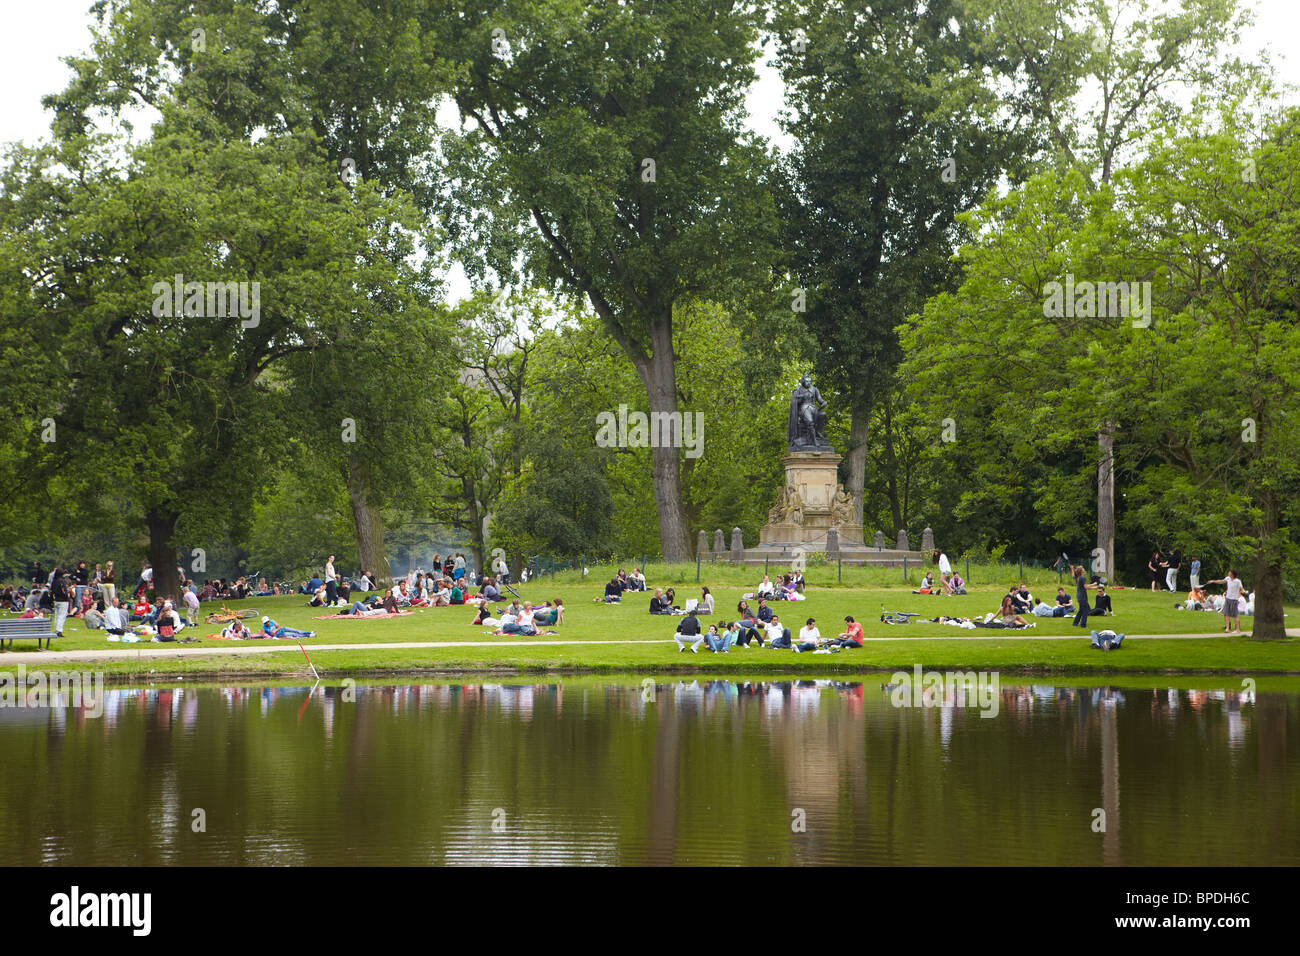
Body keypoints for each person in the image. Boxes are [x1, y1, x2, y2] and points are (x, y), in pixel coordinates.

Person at [1208, 570, 1245, 635]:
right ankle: (1227, 628)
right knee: (1226, 614)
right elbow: (1221, 581)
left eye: (1230, 572)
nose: (1228, 573)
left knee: (1235, 615)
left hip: (1234, 599)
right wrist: (1213, 581)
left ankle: (1238, 629)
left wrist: (1243, 591)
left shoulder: (1238, 581)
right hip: (1228, 598)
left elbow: (1241, 588)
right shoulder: (1228, 578)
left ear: (1233, 574)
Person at [49, 566, 71, 639]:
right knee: (62, 616)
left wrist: (51, 599)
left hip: (56, 600)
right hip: (63, 600)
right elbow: (63, 591)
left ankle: (56, 630)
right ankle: (59, 631)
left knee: (57, 616)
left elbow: (51, 591)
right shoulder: (62, 581)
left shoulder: (54, 581)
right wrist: (67, 595)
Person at [1071, 565, 1095, 629]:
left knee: (1081, 610)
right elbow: (1086, 587)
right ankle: (1083, 625)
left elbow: (1085, 585)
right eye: (1083, 568)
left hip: (1079, 596)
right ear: (1081, 571)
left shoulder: (1079, 578)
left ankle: (1075, 623)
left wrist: (1093, 584)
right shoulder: (1082, 578)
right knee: (1086, 610)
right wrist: (1095, 587)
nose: (1084, 569)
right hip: (1082, 597)